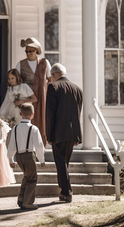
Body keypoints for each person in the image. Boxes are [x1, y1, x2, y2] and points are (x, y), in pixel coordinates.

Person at [46, 63, 83, 203]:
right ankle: (63, 190)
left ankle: (66, 192)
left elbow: (50, 114)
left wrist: (49, 135)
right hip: (73, 132)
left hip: (58, 132)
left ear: (54, 75)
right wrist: (78, 135)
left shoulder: (53, 87)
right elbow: (78, 113)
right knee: (64, 162)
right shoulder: (77, 89)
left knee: (60, 162)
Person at [7, 103, 45, 210]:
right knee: (32, 179)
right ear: (32, 115)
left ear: (20, 113)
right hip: (29, 156)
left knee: (26, 176)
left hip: (19, 156)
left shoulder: (15, 128)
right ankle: (27, 202)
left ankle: (21, 199)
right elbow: (39, 146)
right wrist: (41, 159)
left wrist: (11, 158)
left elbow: (12, 145)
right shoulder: (33, 128)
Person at [16, 37, 51, 145]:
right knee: (27, 119)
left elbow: (50, 80)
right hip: (27, 96)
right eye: (27, 51)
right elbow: (16, 81)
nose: (28, 53)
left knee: (41, 119)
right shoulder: (20, 64)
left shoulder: (44, 63)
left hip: (41, 95)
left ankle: (40, 145)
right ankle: (26, 145)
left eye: (31, 51)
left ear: (37, 51)